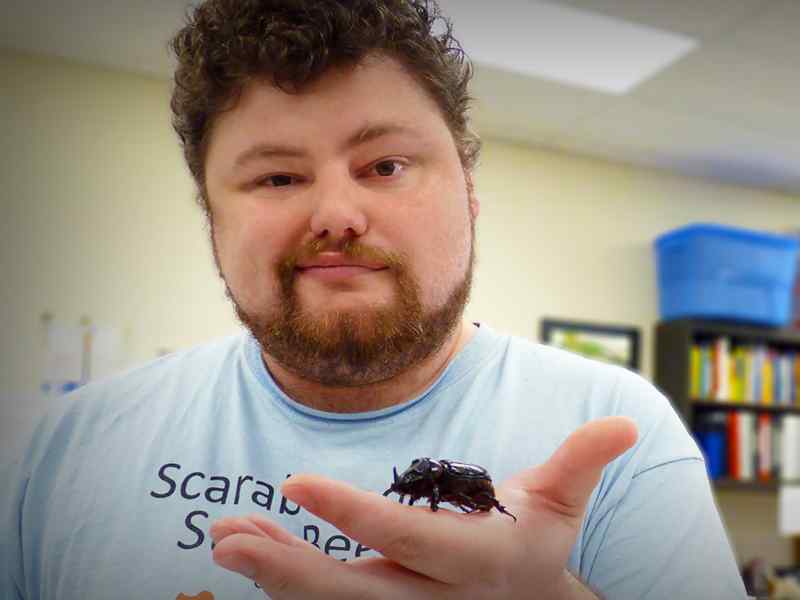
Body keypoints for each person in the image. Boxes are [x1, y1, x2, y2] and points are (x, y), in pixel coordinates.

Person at [1, 1, 748, 599]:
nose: (335, 213)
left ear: (470, 193)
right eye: (277, 177)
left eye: (385, 165)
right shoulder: (72, 448)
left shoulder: (619, 441)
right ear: (212, 217)